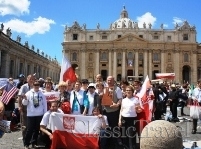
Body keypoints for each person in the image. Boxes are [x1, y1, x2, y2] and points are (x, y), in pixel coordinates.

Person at [22, 80, 47, 149]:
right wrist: (25, 99)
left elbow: (44, 104)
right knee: (29, 129)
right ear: (33, 85)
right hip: (31, 114)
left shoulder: (42, 94)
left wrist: (45, 113)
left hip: (39, 114)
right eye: (35, 85)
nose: (36, 86)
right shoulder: (28, 93)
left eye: (38, 85)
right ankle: (26, 143)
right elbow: (24, 103)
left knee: (37, 129)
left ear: (39, 86)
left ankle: (34, 143)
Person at [17, 74, 35, 141]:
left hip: (33, 108)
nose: (31, 80)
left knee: (31, 124)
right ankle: (24, 137)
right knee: (24, 123)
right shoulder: (24, 87)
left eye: (33, 79)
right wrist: (19, 106)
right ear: (27, 79)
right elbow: (19, 97)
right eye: (30, 79)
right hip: (24, 107)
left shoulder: (36, 87)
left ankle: (31, 137)